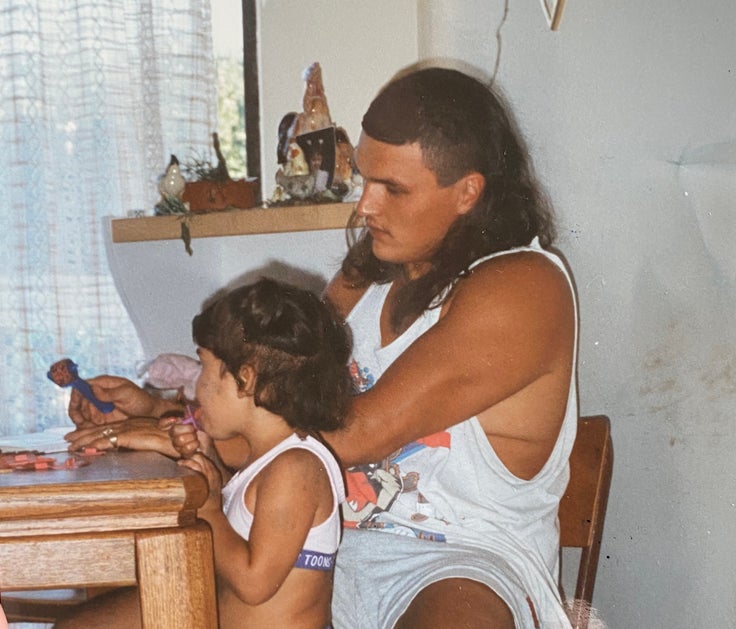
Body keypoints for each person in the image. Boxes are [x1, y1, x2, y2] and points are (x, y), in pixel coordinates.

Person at [66, 65, 578, 628]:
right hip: (319, 556)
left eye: (393, 189)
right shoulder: (372, 272)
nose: (364, 208)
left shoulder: (525, 286)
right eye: (364, 180)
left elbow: (353, 434)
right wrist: (167, 412)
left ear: (467, 192)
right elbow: (283, 418)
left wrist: (177, 422)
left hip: (459, 563)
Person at [57, 278, 351, 629]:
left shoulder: (297, 469)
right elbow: (245, 517)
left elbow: (254, 583)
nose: (196, 386)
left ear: (247, 380)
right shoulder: (268, 461)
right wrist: (209, 467)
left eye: (205, 369)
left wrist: (209, 507)